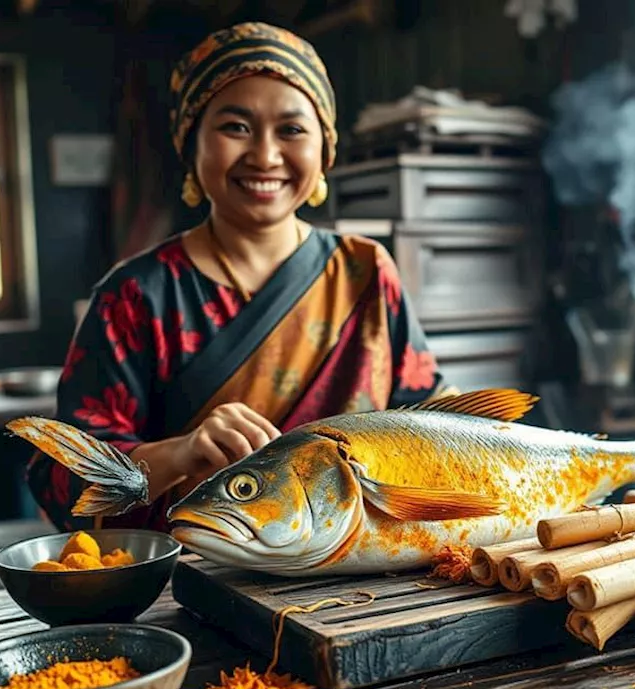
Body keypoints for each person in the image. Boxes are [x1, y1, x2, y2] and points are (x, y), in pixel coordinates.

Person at [25, 22, 451, 532]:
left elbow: (433, 430)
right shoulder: (134, 296)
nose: (265, 156)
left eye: (292, 130)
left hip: (353, 567)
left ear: (324, 151)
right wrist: (180, 453)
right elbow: (59, 480)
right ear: (191, 145)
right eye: (236, 127)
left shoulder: (364, 272)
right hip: (187, 583)